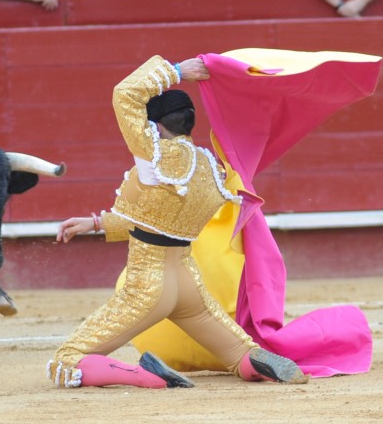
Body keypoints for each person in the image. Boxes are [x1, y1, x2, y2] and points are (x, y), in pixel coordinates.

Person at [47, 55, 309, 390]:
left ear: (156, 127)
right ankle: (255, 360)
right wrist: (97, 224)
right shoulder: (210, 168)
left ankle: (150, 377)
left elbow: (124, 93)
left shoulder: (153, 156)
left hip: (146, 287)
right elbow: (156, 220)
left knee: (66, 361)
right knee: (237, 353)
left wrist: (176, 72)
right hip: (188, 286)